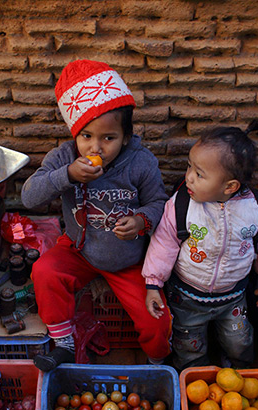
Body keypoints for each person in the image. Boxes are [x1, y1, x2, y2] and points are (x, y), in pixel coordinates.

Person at [21, 59, 172, 371]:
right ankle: (63, 342)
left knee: (157, 320)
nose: (96, 147)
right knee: (45, 272)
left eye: (108, 138)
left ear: (126, 136)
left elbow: (160, 203)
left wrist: (141, 221)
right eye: (86, 136)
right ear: (74, 132)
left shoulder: (140, 162)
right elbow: (29, 197)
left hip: (130, 262)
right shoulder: (64, 158)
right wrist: (67, 175)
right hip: (78, 250)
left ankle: (156, 365)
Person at [142, 122, 258, 370]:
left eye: (199, 174)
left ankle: (236, 370)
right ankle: (196, 375)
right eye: (189, 167)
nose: (188, 178)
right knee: (189, 345)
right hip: (187, 296)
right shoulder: (181, 205)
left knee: (239, 341)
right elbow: (163, 243)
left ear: (229, 186)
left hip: (234, 297)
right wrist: (154, 283)